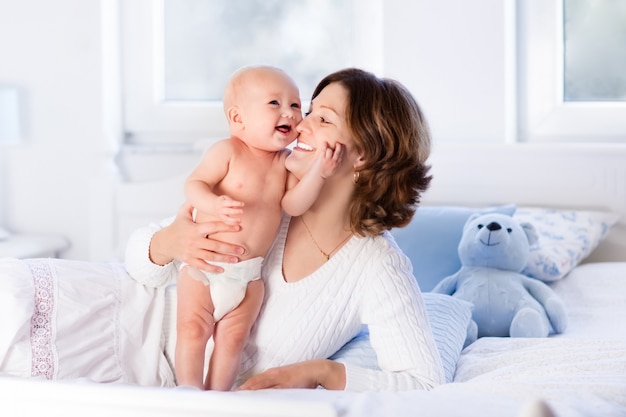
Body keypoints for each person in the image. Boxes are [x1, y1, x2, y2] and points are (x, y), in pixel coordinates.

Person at [125, 67, 445, 391]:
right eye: (307, 111)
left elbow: (424, 383)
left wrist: (322, 373)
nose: (299, 124)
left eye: (323, 119)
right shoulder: (263, 184)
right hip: (126, 346)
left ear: (362, 155)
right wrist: (170, 243)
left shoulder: (376, 265)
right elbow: (136, 266)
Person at [174, 65, 341, 390]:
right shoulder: (227, 151)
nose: (290, 113)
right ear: (238, 119)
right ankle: (188, 395)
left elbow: (293, 204)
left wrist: (318, 173)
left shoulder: (285, 163)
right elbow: (194, 184)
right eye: (274, 104)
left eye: (295, 104)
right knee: (193, 330)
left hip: (248, 277)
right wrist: (212, 204)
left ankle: (218, 399)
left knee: (233, 341)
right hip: (204, 270)